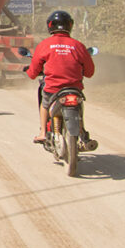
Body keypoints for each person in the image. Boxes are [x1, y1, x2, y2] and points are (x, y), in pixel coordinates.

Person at [26, 10, 97, 150]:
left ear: (50, 26)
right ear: (70, 25)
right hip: (74, 89)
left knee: (45, 104)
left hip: (53, 89)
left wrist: (30, 73)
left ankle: (42, 133)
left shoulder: (45, 45)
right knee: (79, 105)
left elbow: (33, 72)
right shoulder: (78, 46)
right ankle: (82, 133)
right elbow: (90, 72)